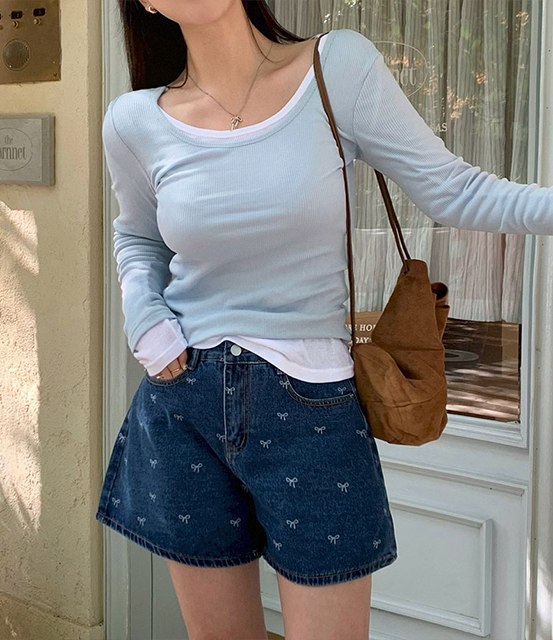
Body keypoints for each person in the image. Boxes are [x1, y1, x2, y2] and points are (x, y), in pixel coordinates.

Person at [95, 1, 553, 638]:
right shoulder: (133, 121)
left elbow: (454, 191)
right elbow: (138, 238)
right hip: (182, 404)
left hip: (311, 406)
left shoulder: (336, 68)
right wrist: (146, 320)